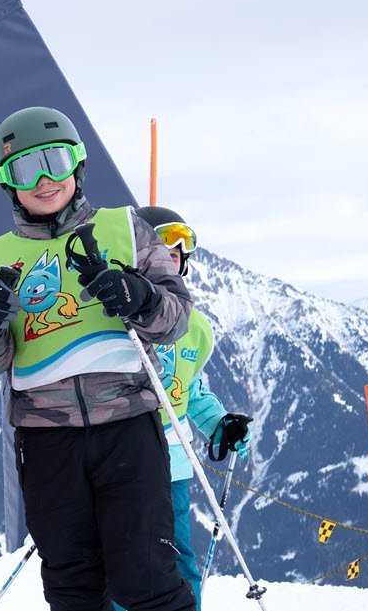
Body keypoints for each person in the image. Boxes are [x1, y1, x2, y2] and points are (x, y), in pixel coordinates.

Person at [0, 106, 197, 611]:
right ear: (7, 182)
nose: (44, 180)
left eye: (55, 162)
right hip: (46, 441)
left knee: (146, 579)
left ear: (78, 165)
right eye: (25, 169)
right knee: (72, 585)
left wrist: (140, 297)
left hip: (127, 424)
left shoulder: (124, 230)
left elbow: (175, 322)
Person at [111, 206, 253, 611]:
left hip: (171, 461)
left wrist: (220, 424)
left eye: (178, 253)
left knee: (175, 557)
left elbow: (191, 389)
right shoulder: (114, 318)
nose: (172, 256)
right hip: (119, 457)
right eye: (161, 249)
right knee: (123, 558)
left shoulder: (196, 327)